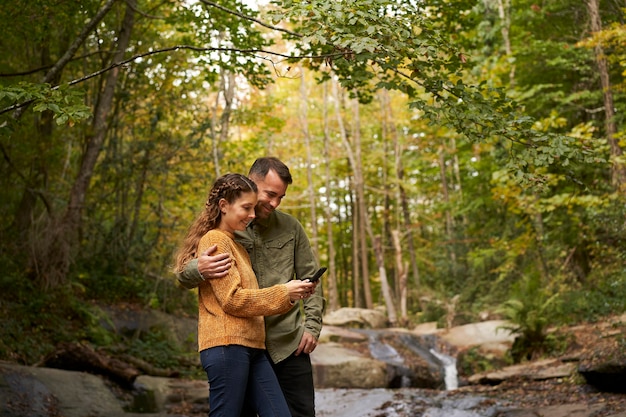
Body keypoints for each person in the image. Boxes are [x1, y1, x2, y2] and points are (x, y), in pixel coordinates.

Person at [178, 157, 325, 417]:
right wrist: (199, 268)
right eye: (270, 194)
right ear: (251, 182)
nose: (275, 203)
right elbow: (186, 277)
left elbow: (311, 278)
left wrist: (312, 327)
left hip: (287, 343)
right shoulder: (225, 231)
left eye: (281, 197)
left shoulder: (291, 227)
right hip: (238, 343)